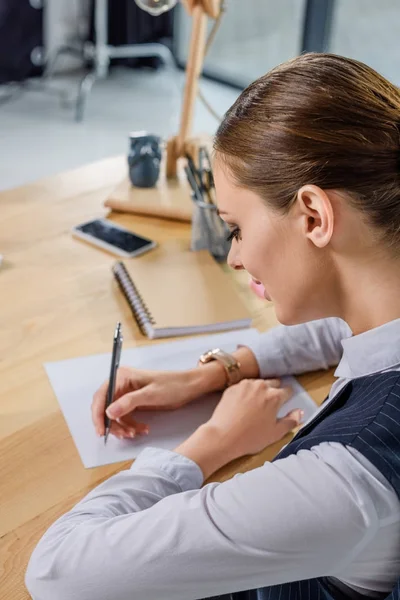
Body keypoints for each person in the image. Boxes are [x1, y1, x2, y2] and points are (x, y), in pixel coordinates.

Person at [25, 53, 400, 600]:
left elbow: (58, 572)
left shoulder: (346, 482)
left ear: (314, 217)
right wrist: (219, 371)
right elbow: (344, 330)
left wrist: (210, 444)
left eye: (237, 228)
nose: (234, 256)